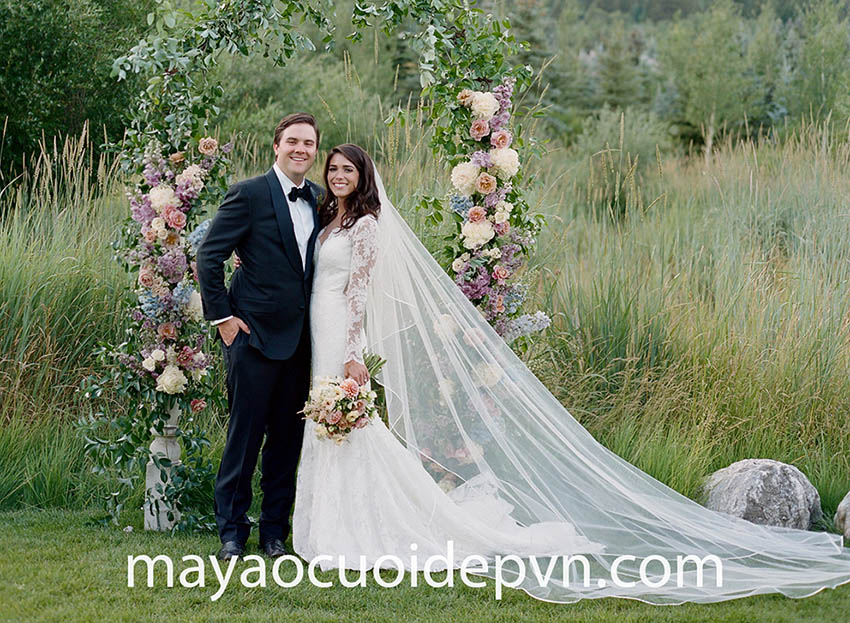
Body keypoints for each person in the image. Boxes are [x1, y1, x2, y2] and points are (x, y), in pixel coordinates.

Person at [289, 143, 850, 603]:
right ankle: (332, 520)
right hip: (320, 326)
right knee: (334, 423)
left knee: (349, 424)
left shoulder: (366, 225)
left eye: (347, 170)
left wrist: (355, 351)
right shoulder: (332, 217)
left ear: (364, 176)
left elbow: (359, 292)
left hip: (341, 333)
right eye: (333, 169)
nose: (338, 176)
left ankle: (355, 525)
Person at [196, 112, 322, 561]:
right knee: (244, 438)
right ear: (276, 146)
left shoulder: (320, 199)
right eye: (292, 141)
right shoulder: (248, 194)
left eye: (308, 143)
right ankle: (232, 533)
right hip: (251, 338)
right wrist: (224, 319)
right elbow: (209, 256)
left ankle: (274, 533)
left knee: (287, 441)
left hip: (302, 344)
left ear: (315, 150)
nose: (300, 149)